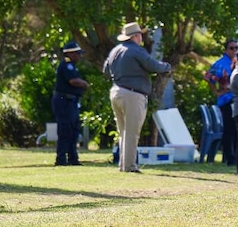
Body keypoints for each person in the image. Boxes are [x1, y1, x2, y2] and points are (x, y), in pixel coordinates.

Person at [103, 22, 172, 173]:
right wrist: (167, 67)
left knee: (123, 132)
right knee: (132, 133)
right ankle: (129, 166)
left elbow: (105, 70)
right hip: (132, 94)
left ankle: (123, 164)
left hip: (116, 91)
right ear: (136, 36)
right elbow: (153, 65)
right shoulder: (136, 51)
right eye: (140, 34)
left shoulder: (115, 51)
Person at [52, 41, 89, 166]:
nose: (79, 56)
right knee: (65, 130)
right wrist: (84, 84)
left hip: (71, 101)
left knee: (73, 130)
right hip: (64, 101)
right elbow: (73, 81)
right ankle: (61, 159)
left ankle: (73, 158)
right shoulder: (67, 65)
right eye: (78, 54)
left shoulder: (72, 66)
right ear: (71, 54)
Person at [204, 39, 238, 166]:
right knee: (229, 129)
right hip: (226, 100)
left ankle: (236, 155)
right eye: (231, 48)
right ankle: (230, 158)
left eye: (236, 48)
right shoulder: (220, 64)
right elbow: (208, 77)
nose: (234, 50)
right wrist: (217, 92)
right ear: (226, 50)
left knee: (237, 129)